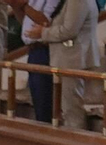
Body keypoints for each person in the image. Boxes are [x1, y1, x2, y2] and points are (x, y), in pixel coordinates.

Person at [10, 0, 99, 129]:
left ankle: (75, 143)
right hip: (64, 58)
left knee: (71, 109)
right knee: (62, 106)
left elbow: (69, 30)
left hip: (72, 59)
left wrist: (43, 33)